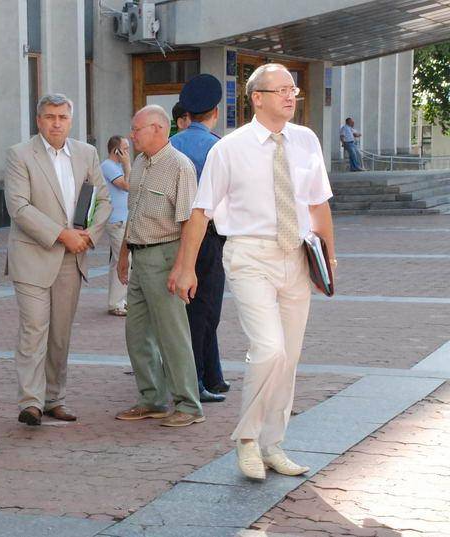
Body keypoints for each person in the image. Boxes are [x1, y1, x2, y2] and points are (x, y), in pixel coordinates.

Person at [175, 64, 337, 480]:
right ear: (257, 98)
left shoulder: (306, 140)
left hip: (297, 256)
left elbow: (318, 204)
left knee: (290, 356)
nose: (290, 95)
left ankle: (272, 443)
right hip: (249, 255)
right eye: (280, 89)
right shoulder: (228, 149)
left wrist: (329, 260)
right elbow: (201, 211)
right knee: (269, 349)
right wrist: (186, 267)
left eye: (292, 88)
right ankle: (246, 439)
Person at [5, 93, 112, 426]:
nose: (56, 123)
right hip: (33, 256)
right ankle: (31, 402)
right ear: (39, 120)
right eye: (49, 117)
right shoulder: (20, 154)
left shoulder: (87, 153)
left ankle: (54, 398)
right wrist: (62, 234)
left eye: (62, 117)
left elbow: (103, 200)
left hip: (72, 257)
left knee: (60, 334)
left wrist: (89, 235)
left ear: (70, 120)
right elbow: (19, 207)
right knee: (34, 328)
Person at [114, 105, 204, 428]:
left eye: (137, 129)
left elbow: (189, 223)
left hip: (166, 256)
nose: (132, 135)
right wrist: (124, 254)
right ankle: (152, 399)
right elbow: (134, 211)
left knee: (172, 335)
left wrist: (183, 267)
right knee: (137, 333)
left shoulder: (180, 166)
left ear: (158, 129)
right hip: (140, 256)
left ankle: (189, 405)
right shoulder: (140, 162)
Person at [169, 74, 230, 404]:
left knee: (191, 310)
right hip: (209, 235)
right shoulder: (219, 148)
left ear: (187, 114)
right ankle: (197, 381)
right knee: (205, 310)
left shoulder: (171, 146)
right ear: (215, 113)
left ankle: (213, 375)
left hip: (174, 234)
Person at [101, 135, 131, 316]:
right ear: (116, 150)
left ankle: (118, 300)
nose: (128, 153)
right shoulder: (108, 166)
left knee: (117, 261)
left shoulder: (118, 167)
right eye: (125, 149)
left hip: (124, 219)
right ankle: (117, 302)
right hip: (116, 221)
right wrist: (127, 165)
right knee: (123, 260)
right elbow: (127, 186)